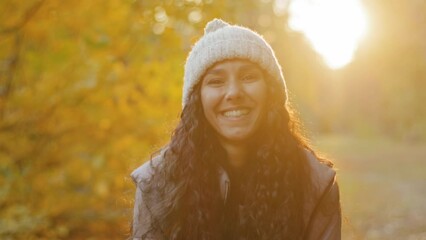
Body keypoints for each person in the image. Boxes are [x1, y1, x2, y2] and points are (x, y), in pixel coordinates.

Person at [131, 18, 341, 240]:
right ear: (197, 100)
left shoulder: (315, 184)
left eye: (248, 77)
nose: (233, 92)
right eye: (216, 81)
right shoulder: (156, 184)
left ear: (271, 93)